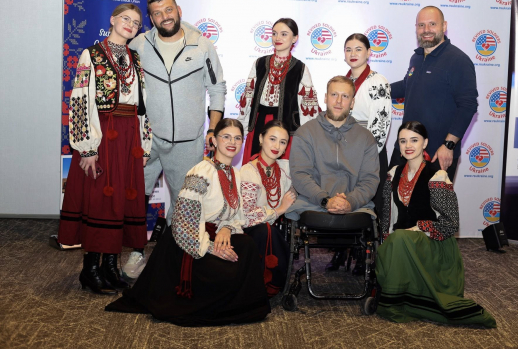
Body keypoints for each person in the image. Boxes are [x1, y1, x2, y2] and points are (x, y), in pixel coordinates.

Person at [105, 119, 270, 326]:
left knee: (247, 247)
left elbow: (236, 213)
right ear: (214, 141)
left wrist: (227, 229)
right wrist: (210, 247)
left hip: (215, 232)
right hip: (189, 240)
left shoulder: (235, 174)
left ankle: (239, 305)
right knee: (224, 267)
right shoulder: (200, 172)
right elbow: (183, 221)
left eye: (237, 138)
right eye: (226, 137)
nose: (232, 142)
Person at [124, 0, 227, 278]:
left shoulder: (202, 45)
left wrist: (213, 128)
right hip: (147, 139)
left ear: (178, 9)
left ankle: (171, 254)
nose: (165, 17)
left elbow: (217, 88)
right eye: (157, 13)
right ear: (151, 18)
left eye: (168, 10)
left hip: (187, 140)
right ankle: (136, 251)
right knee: (137, 196)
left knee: (184, 202)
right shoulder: (138, 45)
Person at [58, 3, 152, 295]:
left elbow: (143, 104)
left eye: (136, 22)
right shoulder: (92, 54)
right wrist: (87, 148)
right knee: (100, 199)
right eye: (125, 18)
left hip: (129, 137)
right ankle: (90, 270)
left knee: (122, 199)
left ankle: (110, 266)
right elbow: (80, 99)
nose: (130, 24)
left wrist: (144, 143)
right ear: (112, 20)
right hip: (102, 134)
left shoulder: (135, 58)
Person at [376, 121, 496, 328]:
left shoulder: (437, 176)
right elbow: (387, 219)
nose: (408, 145)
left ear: (425, 143)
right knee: (395, 240)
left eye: (414, 140)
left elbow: (450, 224)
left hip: (432, 243)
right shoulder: (393, 174)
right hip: (400, 242)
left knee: (400, 237)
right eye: (403, 141)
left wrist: (417, 229)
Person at [326, 34, 391, 274]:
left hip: (368, 153)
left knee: (366, 202)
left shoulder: (378, 81)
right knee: (342, 198)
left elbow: (381, 125)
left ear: (369, 52)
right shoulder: (344, 81)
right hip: (343, 151)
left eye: (358, 49)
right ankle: (342, 250)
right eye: (348, 49)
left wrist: (365, 156)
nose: (353, 54)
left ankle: (366, 255)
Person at [389, 6, 478, 181]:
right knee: (392, 196)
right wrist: (372, 88)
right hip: (406, 148)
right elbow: (407, 86)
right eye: (421, 25)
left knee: (431, 200)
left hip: (437, 153)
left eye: (432, 24)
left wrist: (448, 145)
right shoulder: (416, 57)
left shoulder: (458, 60)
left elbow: (468, 106)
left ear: (444, 26)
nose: (426, 30)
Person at [286, 76, 379, 238]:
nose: (338, 101)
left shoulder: (366, 138)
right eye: (334, 94)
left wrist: (350, 202)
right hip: (313, 203)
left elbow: (370, 180)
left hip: (355, 206)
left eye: (345, 96)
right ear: (325, 98)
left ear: (352, 103)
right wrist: (325, 200)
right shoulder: (305, 133)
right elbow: (300, 175)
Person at [238, 18, 320, 164]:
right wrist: (242, 128)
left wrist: (307, 137)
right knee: (254, 167)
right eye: (274, 33)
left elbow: (307, 107)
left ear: (294, 38)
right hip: (259, 124)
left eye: (284, 34)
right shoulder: (260, 63)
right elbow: (248, 99)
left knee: (282, 170)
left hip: (286, 126)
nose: (277, 38)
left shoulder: (300, 68)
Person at [241, 120, 296, 297]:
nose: (277, 146)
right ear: (260, 138)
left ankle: (274, 281)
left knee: (272, 231)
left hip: (274, 230)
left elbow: (305, 183)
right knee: (265, 230)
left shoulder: (286, 168)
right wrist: (280, 209)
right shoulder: (248, 172)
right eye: (272, 139)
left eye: (282, 142)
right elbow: (247, 217)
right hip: (249, 231)